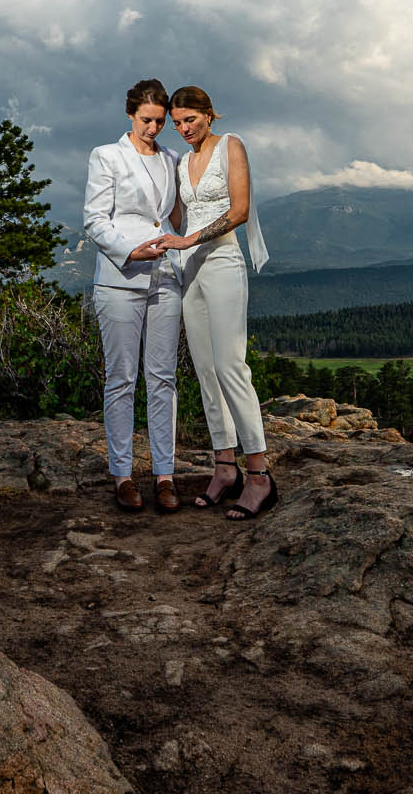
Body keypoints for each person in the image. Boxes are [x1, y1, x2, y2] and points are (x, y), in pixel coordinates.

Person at [155, 85, 276, 520]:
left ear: (209, 115)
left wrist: (189, 237)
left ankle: (260, 475)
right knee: (205, 370)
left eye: (190, 120)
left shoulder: (231, 146)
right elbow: (175, 213)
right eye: (177, 123)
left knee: (230, 366)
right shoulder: (184, 161)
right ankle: (225, 467)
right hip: (191, 271)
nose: (184, 129)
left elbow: (239, 210)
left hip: (223, 261)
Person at [82, 78, 185, 513]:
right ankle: (122, 476)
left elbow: (177, 216)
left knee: (163, 379)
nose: (153, 128)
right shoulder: (107, 155)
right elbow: (94, 219)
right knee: (121, 379)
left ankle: (165, 474)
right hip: (121, 277)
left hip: (165, 278)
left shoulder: (172, 158)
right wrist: (130, 249)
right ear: (130, 114)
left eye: (160, 121)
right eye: (146, 119)